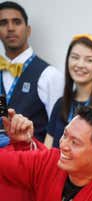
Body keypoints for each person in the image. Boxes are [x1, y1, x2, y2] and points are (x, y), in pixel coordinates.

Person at [0, 1, 63, 143]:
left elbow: (58, 130)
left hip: (32, 161)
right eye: (3, 23)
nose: (10, 28)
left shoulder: (49, 75)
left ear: (28, 30)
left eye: (16, 22)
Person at [45, 34, 92, 148]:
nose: (80, 64)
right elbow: (47, 149)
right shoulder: (61, 104)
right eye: (75, 57)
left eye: (89, 60)